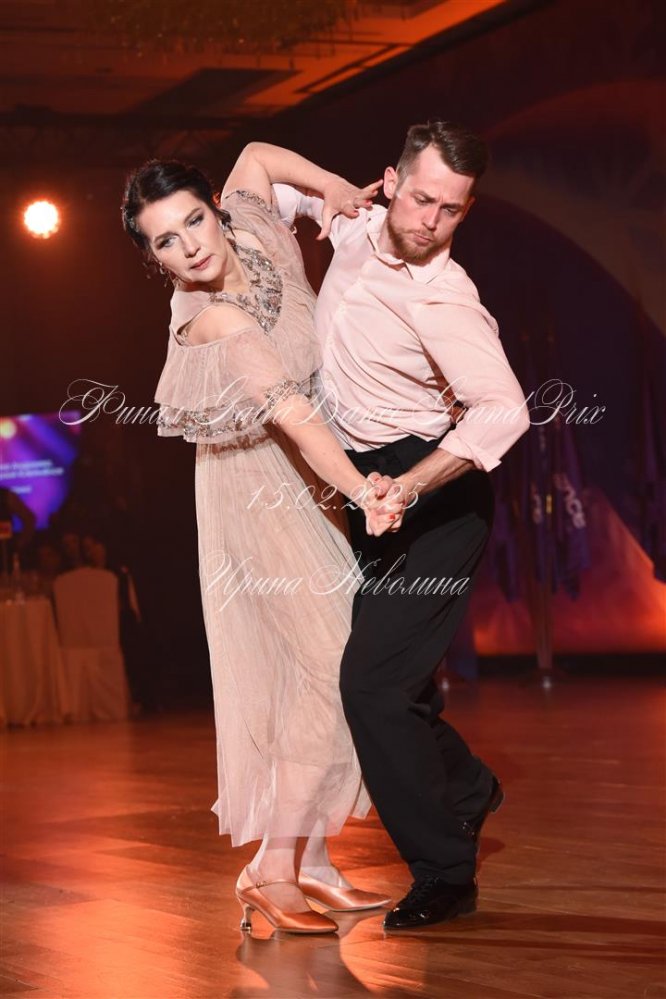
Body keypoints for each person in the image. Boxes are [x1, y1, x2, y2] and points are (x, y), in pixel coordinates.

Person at [121, 152, 399, 934]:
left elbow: (256, 155)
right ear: (152, 258)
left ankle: (310, 862)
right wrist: (363, 491)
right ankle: (273, 865)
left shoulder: (251, 222)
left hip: (306, 481)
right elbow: (295, 417)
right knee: (333, 661)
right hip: (255, 490)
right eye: (165, 241)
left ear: (216, 207)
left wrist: (331, 187)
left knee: (316, 672)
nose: (189, 246)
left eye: (193, 220)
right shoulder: (210, 317)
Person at [267, 120, 530, 928]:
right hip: (367, 488)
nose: (429, 221)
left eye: (451, 209)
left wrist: (410, 487)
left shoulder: (445, 296)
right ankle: (467, 788)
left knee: (372, 684)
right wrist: (320, 191)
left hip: (434, 498)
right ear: (390, 182)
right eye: (420, 199)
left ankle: (445, 869)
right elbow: (268, 183)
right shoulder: (353, 225)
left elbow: (504, 410)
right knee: (392, 681)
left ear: (466, 211)